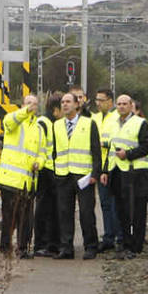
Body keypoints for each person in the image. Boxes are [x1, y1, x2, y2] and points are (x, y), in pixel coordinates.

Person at [52, 91, 103, 260]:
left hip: (83, 175)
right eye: (63, 102)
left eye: (68, 101)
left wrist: (95, 173)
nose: (65, 104)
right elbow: (54, 150)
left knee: (86, 212)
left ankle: (91, 246)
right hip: (63, 175)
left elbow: (96, 151)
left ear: (76, 104)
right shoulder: (57, 125)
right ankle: (66, 248)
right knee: (64, 212)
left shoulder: (89, 124)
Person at [102, 94, 148, 260]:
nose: (121, 106)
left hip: (135, 173)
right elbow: (110, 150)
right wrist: (105, 170)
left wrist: (128, 154)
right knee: (121, 210)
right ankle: (124, 242)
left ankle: (135, 246)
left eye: (125, 104)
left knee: (136, 212)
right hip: (117, 172)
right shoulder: (114, 124)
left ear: (131, 106)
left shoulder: (140, 123)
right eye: (119, 104)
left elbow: (147, 146)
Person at [0, 94, 46, 260]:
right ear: (22, 105)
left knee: (26, 218)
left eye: (35, 104)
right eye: (28, 103)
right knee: (9, 217)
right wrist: (25, 111)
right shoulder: (14, 121)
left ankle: (23, 248)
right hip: (10, 178)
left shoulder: (38, 129)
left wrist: (39, 162)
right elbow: (10, 121)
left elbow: (42, 152)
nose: (32, 106)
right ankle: (5, 249)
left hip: (28, 180)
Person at [33, 91, 63, 257]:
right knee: (44, 208)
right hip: (45, 171)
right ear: (55, 110)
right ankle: (41, 244)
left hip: (54, 170)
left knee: (53, 209)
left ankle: (51, 243)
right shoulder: (43, 123)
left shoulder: (54, 123)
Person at [92, 90, 122, 252]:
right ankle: (108, 236)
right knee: (104, 203)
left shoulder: (116, 118)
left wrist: (104, 143)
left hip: (113, 166)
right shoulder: (94, 118)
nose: (98, 103)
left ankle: (119, 236)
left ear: (110, 101)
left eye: (101, 100)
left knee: (114, 203)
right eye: (96, 100)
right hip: (99, 166)